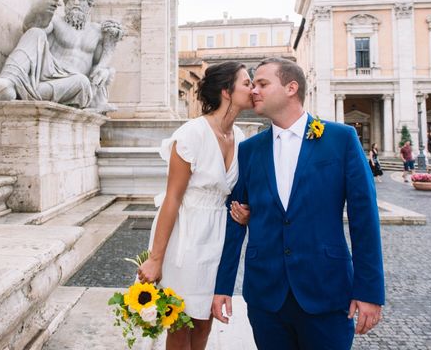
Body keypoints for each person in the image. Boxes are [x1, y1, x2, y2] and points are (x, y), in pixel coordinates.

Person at [212, 58, 384, 350]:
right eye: (253, 84)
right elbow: (235, 218)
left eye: (263, 83)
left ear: (292, 88)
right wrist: (222, 287)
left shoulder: (340, 139)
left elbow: (364, 219)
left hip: (327, 293)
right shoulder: (249, 150)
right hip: (266, 298)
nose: (254, 90)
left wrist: (369, 292)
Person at [136, 62, 254, 350]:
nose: (253, 89)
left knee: (203, 322)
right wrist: (155, 258)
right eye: (247, 83)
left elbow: (237, 193)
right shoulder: (192, 134)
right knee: (179, 324)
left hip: (217, 236)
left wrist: (248, 213)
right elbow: (173, 198)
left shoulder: (240, 137)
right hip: (184, 235)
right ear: (227, 91)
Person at [0, 0, 124, 112]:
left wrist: (104, 69)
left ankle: (17, 91)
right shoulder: (56, 22)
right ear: (66, 3)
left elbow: (101, 63)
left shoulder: (97, 31)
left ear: (89, 5)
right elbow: (28, 28)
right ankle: (7, 83)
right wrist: (37, 11)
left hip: (74, 83)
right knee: (36, 32)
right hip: (48, 75)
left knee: (82, 81)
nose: (76, 2)